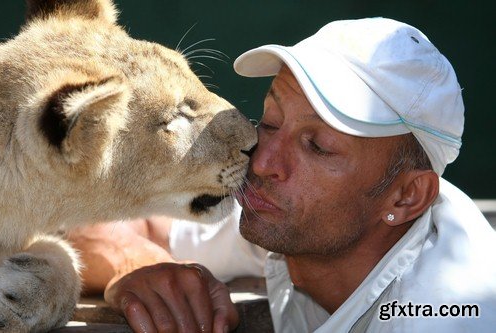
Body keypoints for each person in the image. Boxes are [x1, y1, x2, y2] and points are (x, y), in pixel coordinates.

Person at [69, 17, 496, 332]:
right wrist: (145, 266)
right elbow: (97, 221)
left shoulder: (443, 317)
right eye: (270, 122)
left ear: (406, 198)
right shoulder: (303, 218)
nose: (262, 161)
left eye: (318, 146)